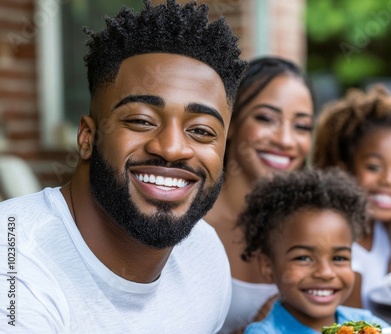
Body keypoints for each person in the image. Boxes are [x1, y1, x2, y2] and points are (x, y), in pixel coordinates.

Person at [0, 1, 246, 332]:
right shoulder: (14, 263)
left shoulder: (204, 255)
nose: (172, 148)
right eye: (141, 120)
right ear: (87, 136)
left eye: (201, 130)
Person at [203, 56, 315, 333]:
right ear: (228, 122)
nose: (286, 140)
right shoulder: (186, 227)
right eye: (266, 118)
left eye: (301, 126)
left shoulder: (312, 226)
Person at [311, 86, 391, 310]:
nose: (390, 180)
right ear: (342, 169)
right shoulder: (341, 244)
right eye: (374, 167)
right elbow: (360, 325)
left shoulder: (383, 230)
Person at [238, 168, 389, 333]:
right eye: (304, 258)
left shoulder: (368, 324)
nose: (325, 273)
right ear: (267, 266)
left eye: (339, 258)